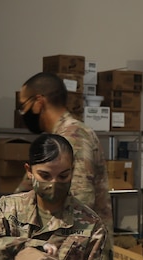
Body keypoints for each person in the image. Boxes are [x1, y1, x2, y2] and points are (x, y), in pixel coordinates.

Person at [15, 71, 113, 231]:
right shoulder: (58, 138)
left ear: (39, 102)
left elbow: (79, 202)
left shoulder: (72, 137)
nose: (23, 113)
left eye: (23, 106)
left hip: (75, 249)